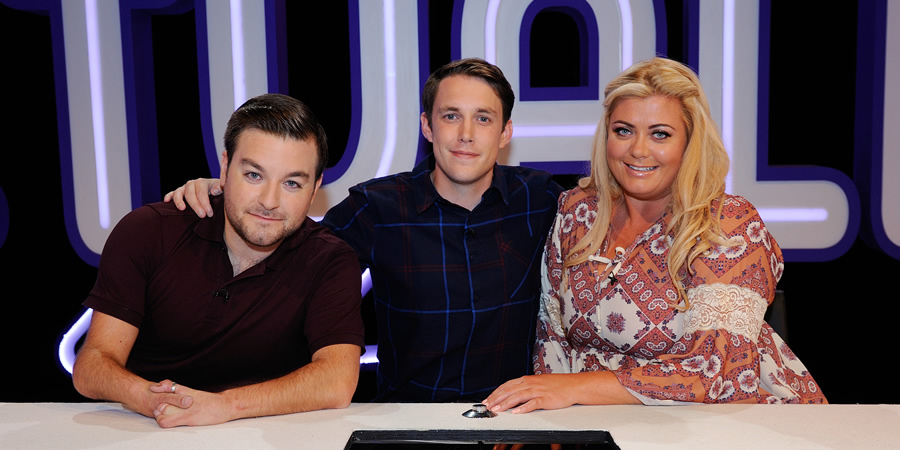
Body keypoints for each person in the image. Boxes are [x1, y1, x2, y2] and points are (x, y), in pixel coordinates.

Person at [166, 58, 564, 402]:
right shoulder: (379, 206)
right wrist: (223, 194)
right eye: (450, 115)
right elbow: (283, 250)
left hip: (513, 424)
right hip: (406, 425)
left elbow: (614, 214)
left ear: (505, 132)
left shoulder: (542, 198)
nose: (466, 134)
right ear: (427, 126)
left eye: (483, 118)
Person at [482, 57, 827, 413]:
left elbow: (713, 372)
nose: (639, 150)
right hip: (603, 426)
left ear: (689, 142)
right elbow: (552, 334)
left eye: (660, 133)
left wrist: (572, 388)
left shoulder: (727, 224)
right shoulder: (577, 212)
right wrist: (548, 415)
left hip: (740, 424)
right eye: (623, 130)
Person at [73, 93, 365, 428]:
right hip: (148, 430)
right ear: (225, 169)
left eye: (292, 183)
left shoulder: (330, 260)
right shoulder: (148, 232)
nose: (269, 201)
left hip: (267, 436)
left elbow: (338, 381)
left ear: (315, 190)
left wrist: (224, 406)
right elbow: (92, 365)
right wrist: (150, 398)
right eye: (254, 175)